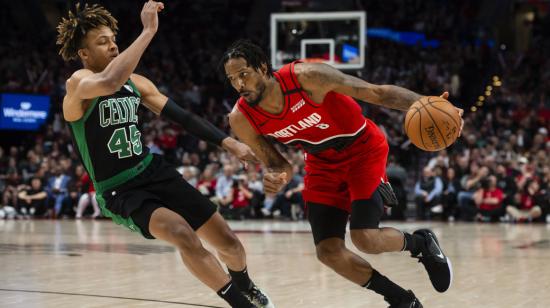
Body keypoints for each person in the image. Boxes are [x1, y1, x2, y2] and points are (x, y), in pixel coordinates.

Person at [56, 3, 272, 307]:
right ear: (85, 54)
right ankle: (241, 304)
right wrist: (148, 31)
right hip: (120, 189)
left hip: (153, 171)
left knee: (230, 243)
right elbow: (108, 82)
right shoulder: (78, 83)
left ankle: (245, 285)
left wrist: (228, 143)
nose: (113, 44)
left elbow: (183, 117)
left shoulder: (137, 84)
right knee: (182, 234)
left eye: (112, 37)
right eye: (102, 41)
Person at [224, 39, 464, 307]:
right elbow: (279, 164)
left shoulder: (307, 77)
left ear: (263, 67)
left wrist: (429, 104)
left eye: (243, 74)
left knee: (366, 239)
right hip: (320, 162)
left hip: (363, 149)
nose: (238, 84)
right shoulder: (241, 118)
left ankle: (421, 244)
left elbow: (377, 93)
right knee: (328, 251)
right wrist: (277, 177)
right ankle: (402, 301)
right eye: (232, 78)